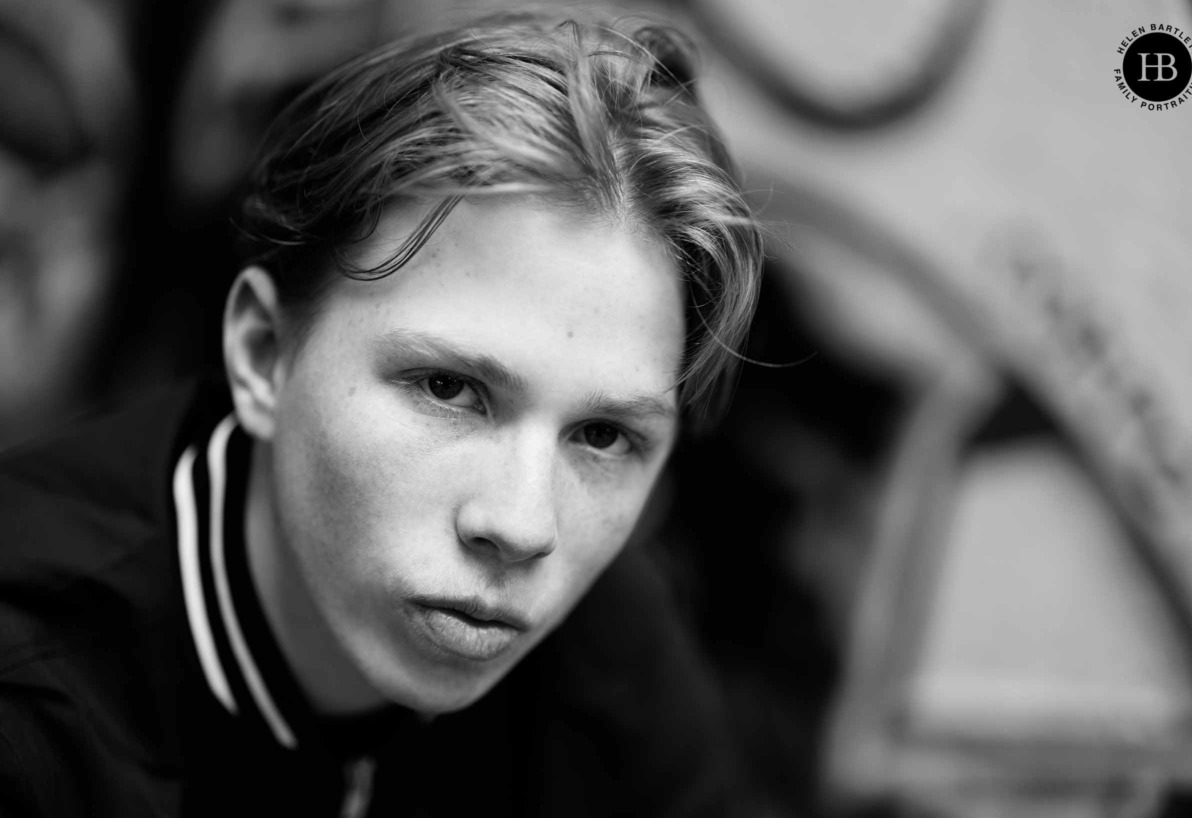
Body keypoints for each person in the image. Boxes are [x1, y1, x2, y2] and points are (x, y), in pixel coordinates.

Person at [0, 9, 763, 817]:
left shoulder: (604, 641)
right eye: (448, 388)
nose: (524, 523)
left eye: (603, 436)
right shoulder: (32, 716)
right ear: (263, 355)